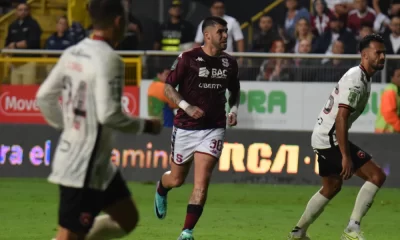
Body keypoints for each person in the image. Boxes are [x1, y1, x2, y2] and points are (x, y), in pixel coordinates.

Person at [35, 0, 162, 240]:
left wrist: (68, 127)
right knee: (69, 235)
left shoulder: (72, 51)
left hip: (100, 165)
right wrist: (146, 125)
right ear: (118, 21)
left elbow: (44, 97)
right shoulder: (109, 59)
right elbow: (109, 115)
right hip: (84, 165)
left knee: (127, 218)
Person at [288, 34, 387, 240]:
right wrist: (345, 155)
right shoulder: (356, 79)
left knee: (331, 186)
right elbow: (341, 118)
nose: (383, 57)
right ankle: (352, 229)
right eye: (378, 52)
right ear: (364, 55)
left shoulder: (362, 77)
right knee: (376, 176)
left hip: (323, 135)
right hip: (330, 138)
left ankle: (298, 232)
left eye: (384, 52)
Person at [153, 16, 241, 240]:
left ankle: (186, 232)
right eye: (221, 32)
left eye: (226, 31)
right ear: (208, 35)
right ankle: (162, 188)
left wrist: (233, 111)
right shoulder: (188, 58)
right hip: (185, 127)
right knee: (177, 179)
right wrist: (186, 106)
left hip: (214, 127)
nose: (225, 36)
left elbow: (235, 92)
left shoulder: (230, 62)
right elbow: (168, 87)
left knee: (201, 183)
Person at [375, 68, 400, 133]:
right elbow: (389, 113)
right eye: (398, 76)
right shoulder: (390, 90)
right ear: (392, 78)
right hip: (385, 131)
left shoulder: (396, 90)